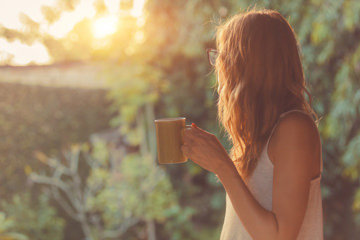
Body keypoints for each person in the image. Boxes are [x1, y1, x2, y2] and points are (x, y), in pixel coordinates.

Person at [181, 8, 323, 240]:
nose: (220, 69)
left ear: (247, 65)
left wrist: (223, 166)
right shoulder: (258, 135)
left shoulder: (294, 128)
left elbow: (279, 236)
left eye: (224, 57)